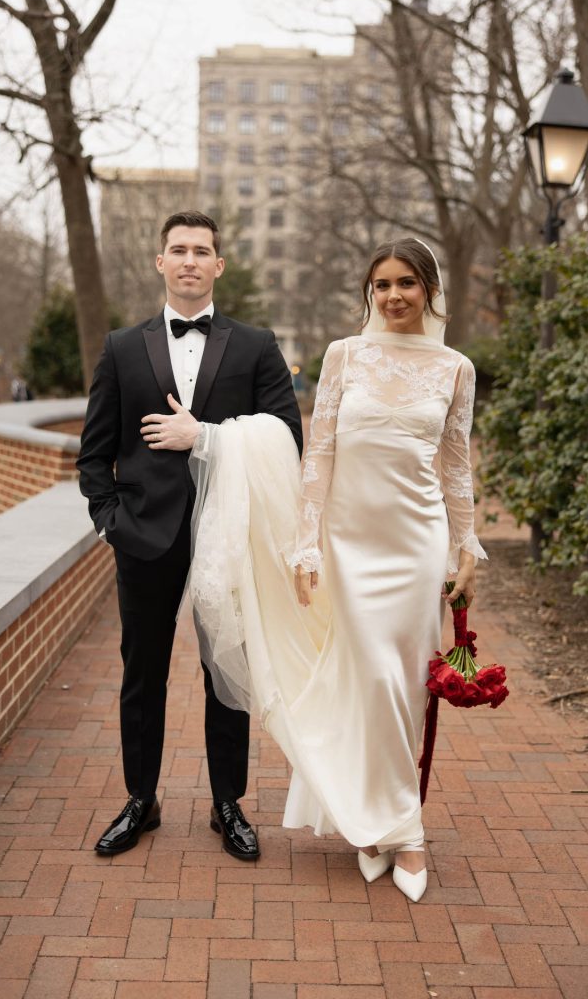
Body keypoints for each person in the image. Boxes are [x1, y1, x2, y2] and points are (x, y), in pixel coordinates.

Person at [182, 237, 486, 903]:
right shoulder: (344, 356)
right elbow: (317, 453)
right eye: (381, 285)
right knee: (362, 675)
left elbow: (456, 464)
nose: (394, 295)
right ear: (368, 293)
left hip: (415, 542)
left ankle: (400, 829)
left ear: (429, 289)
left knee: (402, 684)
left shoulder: (454, 368)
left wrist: (466, 546)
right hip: (348, 543)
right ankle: (371, 820)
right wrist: (306, 545)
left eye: (407, 282)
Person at [76, 210, 303, 859]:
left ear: (218, 265)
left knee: (224, 670)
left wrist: (201, 438)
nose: (189, 261)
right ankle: (140, 801)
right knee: (141, 674)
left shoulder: (256, 345)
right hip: (143, 535)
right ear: (159, 262)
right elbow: (94, 453)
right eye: (178, 250)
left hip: (227, 535)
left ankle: (227, 804)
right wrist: (108, 522)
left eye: (202, 251)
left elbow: (288, 439)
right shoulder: (122, 346)